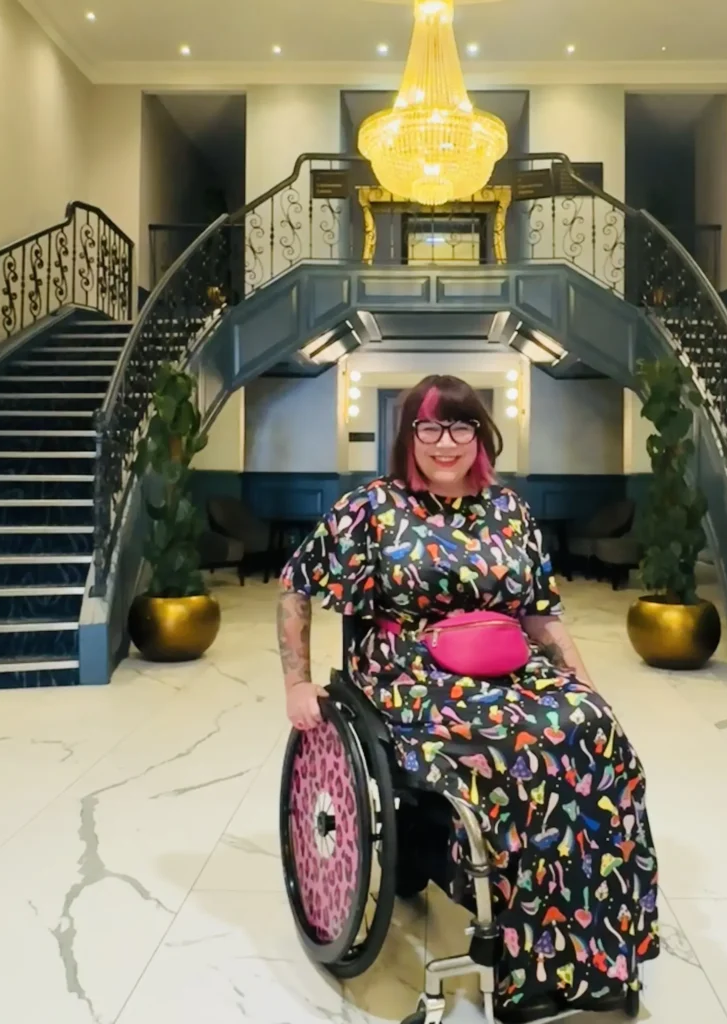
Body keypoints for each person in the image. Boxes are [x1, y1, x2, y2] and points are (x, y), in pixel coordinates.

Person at [277, 374, 659, 1023]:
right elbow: (296, 584)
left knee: (594, 731)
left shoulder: (508, 509)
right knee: (509, 750)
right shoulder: (373, 506)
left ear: (479, 436)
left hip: (504, 659)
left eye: (460, 426)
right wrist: (296, 682)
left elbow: (541, 612)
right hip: (408, 666)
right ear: (409, 436)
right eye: (429, 426)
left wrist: (582, 681)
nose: (444, 441)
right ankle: (521, 960)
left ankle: (596, 954)